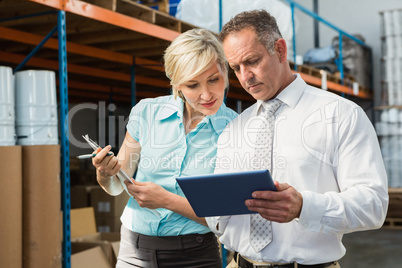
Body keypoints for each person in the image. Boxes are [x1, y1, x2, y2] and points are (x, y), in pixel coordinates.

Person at [206, 9, 389, 268]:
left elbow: (373, 205)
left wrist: (304, 207)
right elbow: (220, 212)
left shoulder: (340, 115)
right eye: (236, 68)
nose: (245, 77)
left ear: (280, 50)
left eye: (252, 61)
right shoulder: (235, 128)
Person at [92, 28, 237, 268]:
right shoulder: (146, 112)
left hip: (196, 255)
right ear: (177, 85)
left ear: (224, 69)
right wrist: (104, 173)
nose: (206, 94)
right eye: (192, 85)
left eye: (213, 79)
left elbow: (225, 218)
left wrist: (166, 200)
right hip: (134, 250)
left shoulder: (235, 129)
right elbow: (117, 184)